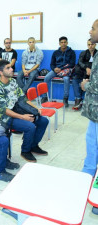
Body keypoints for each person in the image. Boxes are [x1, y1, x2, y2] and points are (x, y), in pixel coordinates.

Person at [0, 60, 49, 163]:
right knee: (30, 126)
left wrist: (36, 108)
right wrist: (23, 117)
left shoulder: (13, 82)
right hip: (5, 117)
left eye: (11, 67)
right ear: (0, 72)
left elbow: (23, 98)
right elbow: (3, 110)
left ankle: (33, 145)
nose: (12, 69)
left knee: (43, 121)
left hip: (17, 110)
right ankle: (25, 151)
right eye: (8, 68)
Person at [81, 19, 98, 216]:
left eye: (93, 28)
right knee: (91, 143)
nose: (90, 31)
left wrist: (86, 85)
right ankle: (86, 178)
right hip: (95, 112)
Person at [41, 36, 76, 107]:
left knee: (66, 79)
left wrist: (62, 68)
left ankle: (65, 99)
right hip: (56, 70)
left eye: (64, 42)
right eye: (61, 42)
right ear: (59, 43)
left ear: (67, 43)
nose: (63, 44)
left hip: (65, 71)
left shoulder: (71, 52)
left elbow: (72, 64)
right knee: (46, 77)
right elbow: (52, 64)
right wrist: (54, 69)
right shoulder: (55, 52)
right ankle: (44, 96)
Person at [72, 39, 97, 110]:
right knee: (75, 80)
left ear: (95, 45)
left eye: (92, 44)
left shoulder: (97, 54)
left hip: (93, 74)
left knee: (88, 83)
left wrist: (92, 70)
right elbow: (80, 62)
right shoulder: (83, 53)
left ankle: (87, 102)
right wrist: (86, 68)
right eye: (89, 44)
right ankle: (78, 99)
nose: (90, 46)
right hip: (82, 72)